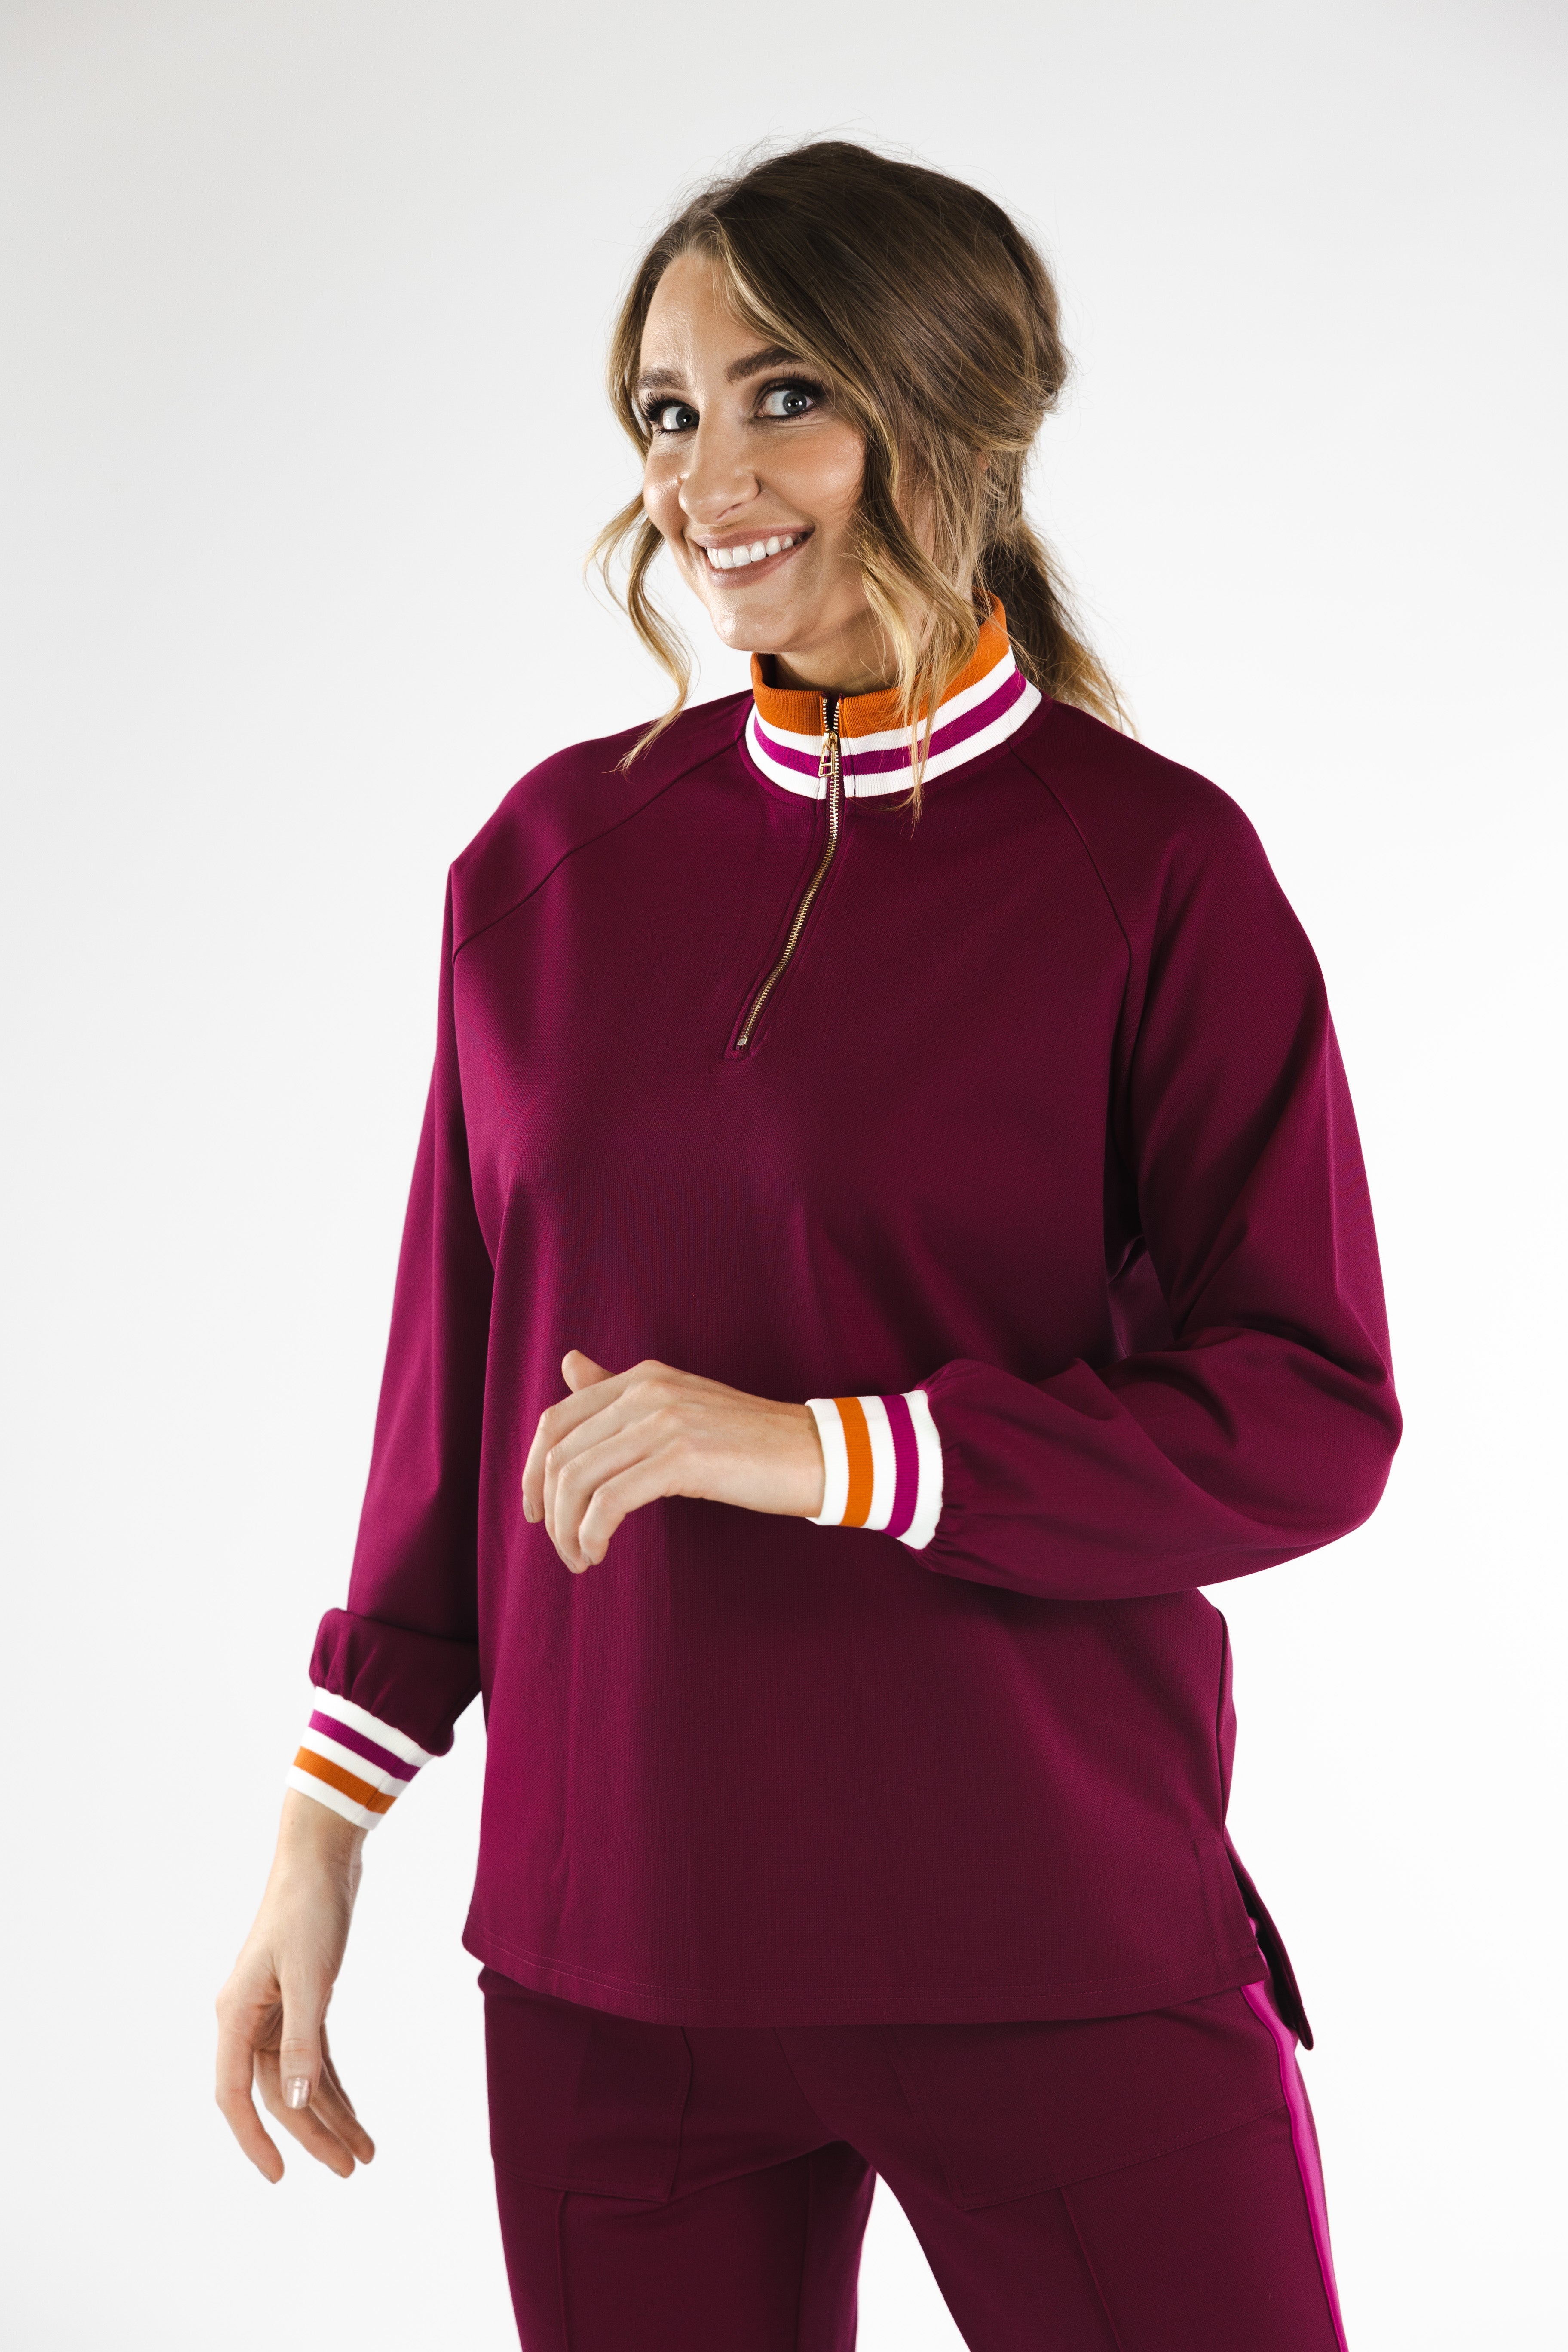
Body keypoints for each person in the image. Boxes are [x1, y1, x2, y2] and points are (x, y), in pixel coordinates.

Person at [216, 141, 1400, 2352]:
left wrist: (818, 1448)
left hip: (1049, 1936)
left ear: (945, 407)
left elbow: (1309, 1419)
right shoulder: (545, 866)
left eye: (786, 397)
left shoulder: (1156, 872)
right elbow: (453, 1400)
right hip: (612, 1971)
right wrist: (323, 1829)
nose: (708, 478)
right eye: (668, 412)